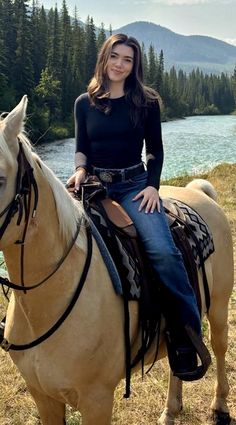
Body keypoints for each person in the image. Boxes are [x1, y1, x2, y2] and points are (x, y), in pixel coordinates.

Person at [66, 33, 210, 380]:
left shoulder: (145, 102)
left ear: (135, 66)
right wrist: (80, 169)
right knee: (44, 230)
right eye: (114, 56)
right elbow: (82, 146)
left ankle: (186, 334)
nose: (119, 64)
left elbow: (155, 151)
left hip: (133, 185)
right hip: (93, 185)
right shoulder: (84, 103)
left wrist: (151, 187)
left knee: (162, 252)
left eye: (127, 59)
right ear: (104, 58)